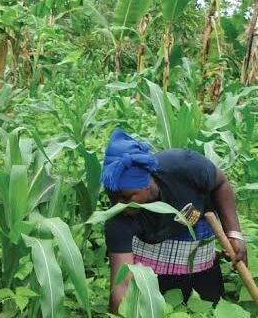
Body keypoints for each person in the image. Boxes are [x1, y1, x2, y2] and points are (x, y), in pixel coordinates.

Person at [100, 128, 247, 312]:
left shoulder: (183, 167)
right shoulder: (118, 220)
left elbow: (221, 184)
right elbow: (121, 287)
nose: (118, 205)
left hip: (197, 248)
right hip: (153, 268)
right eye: (112, 198)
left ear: (145, 184)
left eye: (126, 197)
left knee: (208, 307)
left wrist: (234, 233)